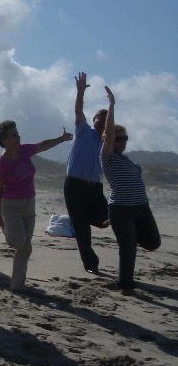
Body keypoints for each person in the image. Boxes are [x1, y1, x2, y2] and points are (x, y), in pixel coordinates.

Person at [0, 120, 73, 292]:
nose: (17, 136)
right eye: (13, 135)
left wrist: (61, 139)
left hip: (29, 203)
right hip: (10, 206)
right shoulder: (1, 164)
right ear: (4, 140)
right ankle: (9, 234)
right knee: (19, 242)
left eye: (17, 132)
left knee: (26, 247)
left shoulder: (24, 151)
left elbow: (43, 145)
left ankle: (17, 285)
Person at [100, 86, 160, 295]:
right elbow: (107, 135)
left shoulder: (127, 159)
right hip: (122, 209)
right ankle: (124, 284)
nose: (122, 142)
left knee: (153, 242)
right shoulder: (108, 157)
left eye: (125, 138)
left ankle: (129, 235)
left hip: (141, 207)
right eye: (118, 139)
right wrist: (112, 105)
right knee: (128, 249)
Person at [63, 71, 110, 274]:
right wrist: (80, 92)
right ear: (94, 119)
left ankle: (80, 217)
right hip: (74, 185)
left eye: (106, 120)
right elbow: (78, 110)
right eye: (100, 118)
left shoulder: (106, 144)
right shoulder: (83, 130)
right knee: (82, 230)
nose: (101, 122)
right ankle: (91, 264)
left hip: (94, 189)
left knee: (106, 219)